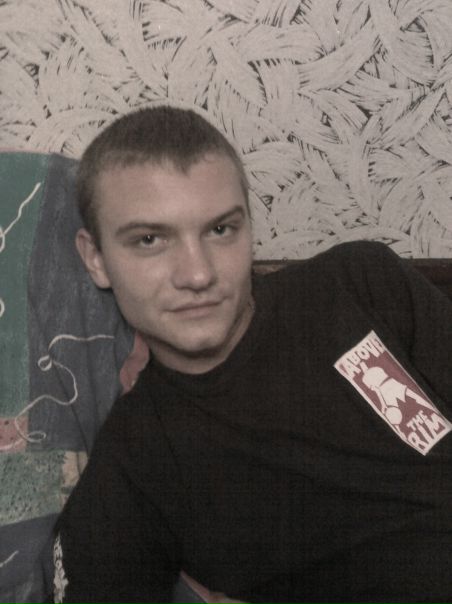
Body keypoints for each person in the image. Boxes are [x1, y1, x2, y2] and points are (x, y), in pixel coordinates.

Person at [53, 105, 452, 604]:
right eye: (150, 240)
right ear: (96, 259)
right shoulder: (135, 465)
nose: (198, 274)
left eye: (220, 230)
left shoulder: (358, 285)